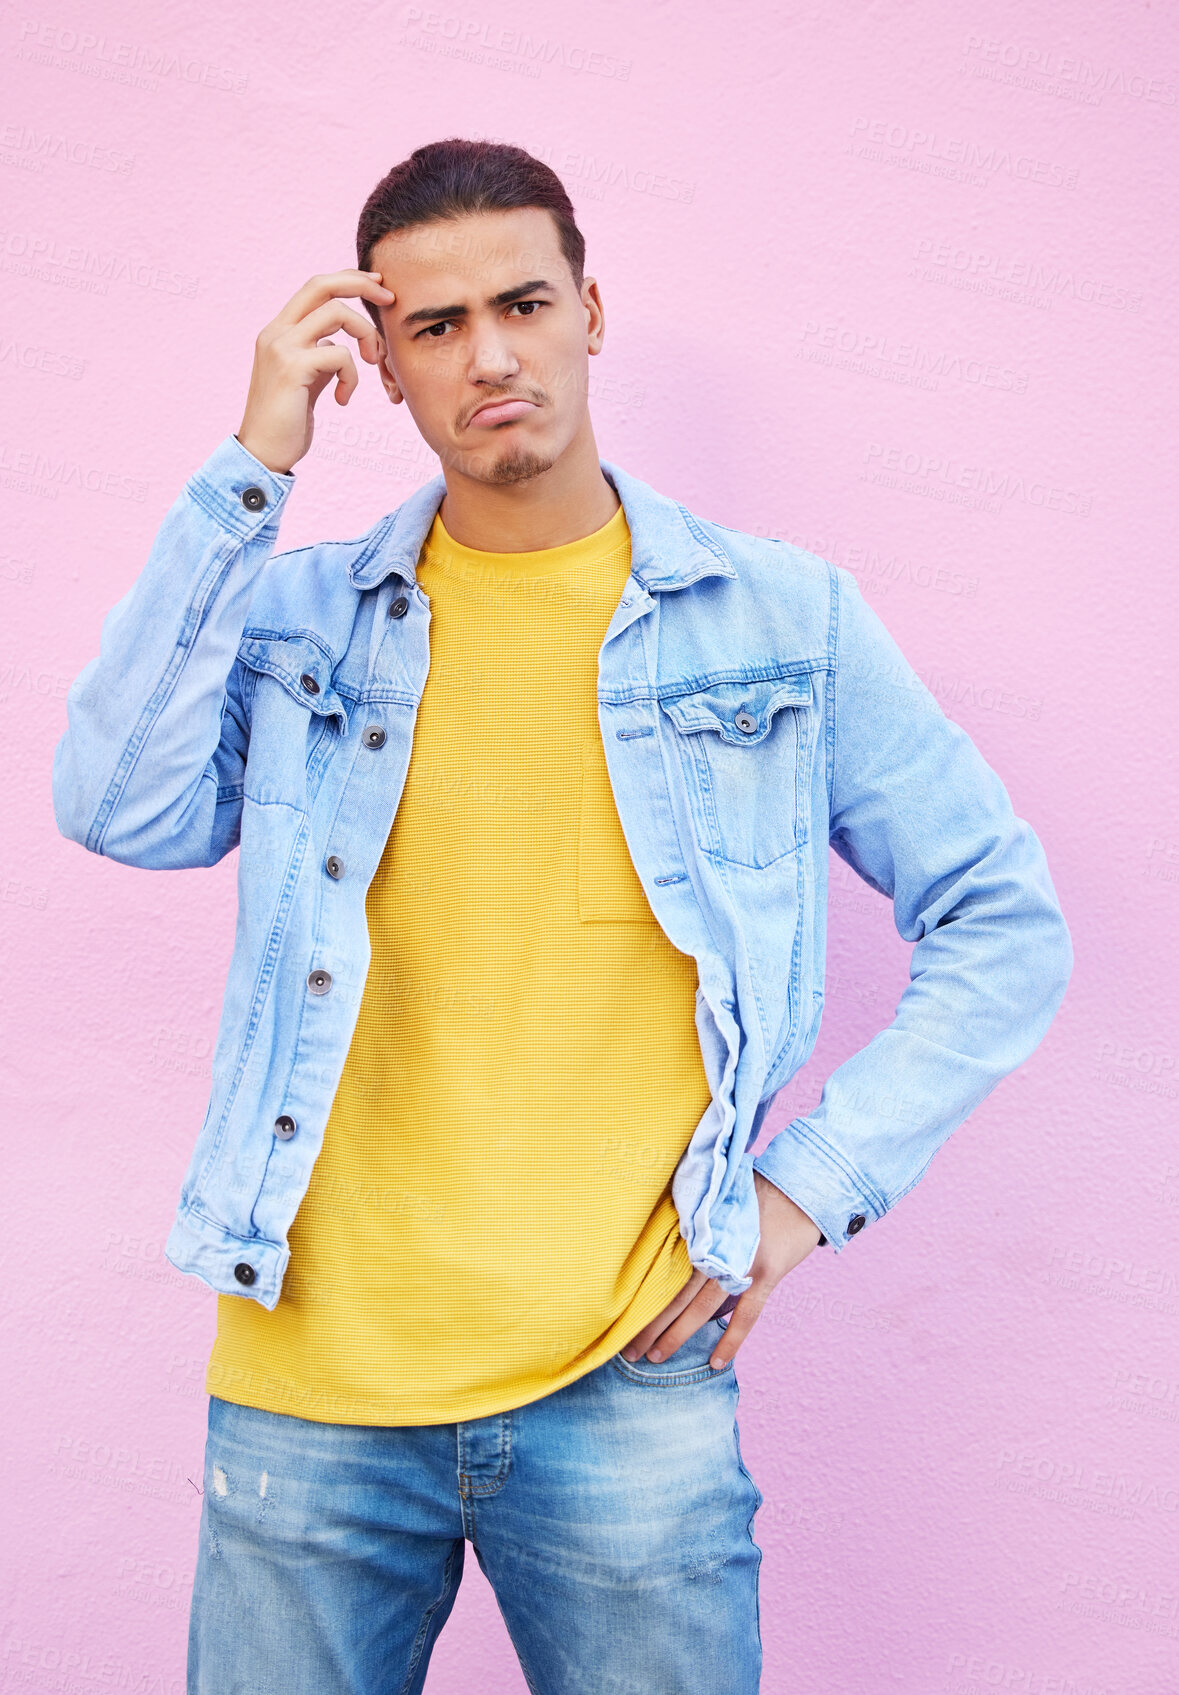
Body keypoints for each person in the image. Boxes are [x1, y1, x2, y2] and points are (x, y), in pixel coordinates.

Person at [51, 138, 1073, 1695]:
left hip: (625, 1392)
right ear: (379, 368)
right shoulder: (300, 624)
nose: (492, 355)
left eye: (524, 303)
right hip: (309, 1389)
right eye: (437, 327)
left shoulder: (781, 623)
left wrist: (802, 1196)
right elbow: (116, 804)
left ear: (594, 311)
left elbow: (1004, 920)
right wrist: (250, 463)